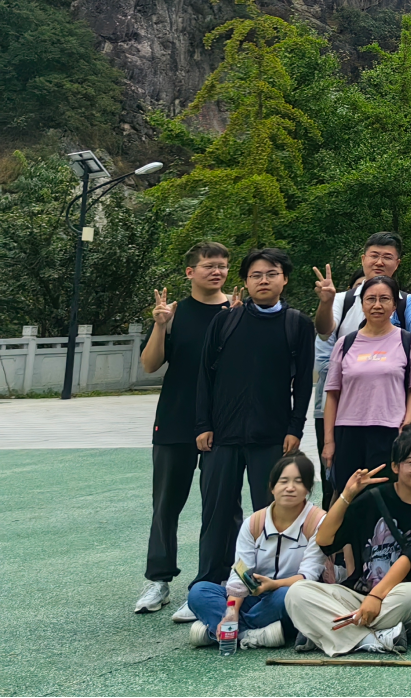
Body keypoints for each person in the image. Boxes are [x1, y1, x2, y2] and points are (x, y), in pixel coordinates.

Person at [194, 247, 315, 587]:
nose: (264, 281)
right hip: (222, 435)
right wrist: (202, 424)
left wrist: (295, 428)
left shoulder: (296, 324)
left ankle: (265, 586)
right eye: (256, 275)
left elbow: (302, 383)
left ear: (284, 279)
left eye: (271, 274)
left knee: (274, 514)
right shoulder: (226, 321)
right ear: (245, 282)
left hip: (272, 436)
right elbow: (205, 375)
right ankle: (209, 584)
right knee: (217, 514)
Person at [286, 427, 411, 654]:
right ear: (396, 466)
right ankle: (372, 638)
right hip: (360, 595)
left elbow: (410, 557)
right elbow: (324, 540)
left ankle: (326, 631)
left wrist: (376, 596)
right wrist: (347, 495)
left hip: (400, 600)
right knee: (297, 593)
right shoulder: (373, 498)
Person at [136, 241, 230, 616]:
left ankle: (212, 581)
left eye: (222, 265)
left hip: (222, 422)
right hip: (175, 420)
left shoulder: (236, 311)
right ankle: (158, 581)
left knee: (221, 505)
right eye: (209, 265)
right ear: (190, 272)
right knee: (165, 505)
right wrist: (160, 326)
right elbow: (149, 365)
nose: (217, 271)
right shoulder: (173, 313)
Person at [184, 452, 328, 649]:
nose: (290, 488)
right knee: (199, 591)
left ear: (309, 488)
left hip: (290, 596)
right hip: (253, 598)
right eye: (283, 481)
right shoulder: (254, 522)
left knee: (289, 595)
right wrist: (232, 612)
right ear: (272, 486)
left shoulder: (318, 521)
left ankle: (218, 632)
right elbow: (240, 574)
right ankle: (251, 633)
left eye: (299, 481)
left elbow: (309, 576)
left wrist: (274, 585)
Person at [322, 276, 411, 495]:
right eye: (371, 299)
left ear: (394, 305)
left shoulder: (407, 340)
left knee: (384, 496)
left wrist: (407, 422)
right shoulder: (345, 343)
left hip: (390, 431)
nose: (377, 305)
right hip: (348, 432)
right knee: (348, 496)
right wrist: (329, 442)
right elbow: (332, 395)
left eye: (384, 299)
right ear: (362, 304)